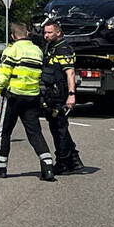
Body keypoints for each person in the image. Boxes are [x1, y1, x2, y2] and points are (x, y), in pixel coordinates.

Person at [0, 22, 56, 181]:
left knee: (4, 132)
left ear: (13, 36)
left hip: (13, 97)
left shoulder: (12, 50)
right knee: (35, 132)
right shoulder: (37, 51)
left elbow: (3, 76)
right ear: (28, 34)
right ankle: (48, 167)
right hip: (32, 97)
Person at [42, 21, 83, 174]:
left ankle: (63, 163)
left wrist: (71, 96)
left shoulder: (63, 48)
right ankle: (74, 160)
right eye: (45, 32)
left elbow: (70, 73)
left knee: (60, 129)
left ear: (58, 32)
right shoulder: (51, 47)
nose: (46, 35)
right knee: (57, 128)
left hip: (60, 95)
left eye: (49, 33)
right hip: (51, 94)